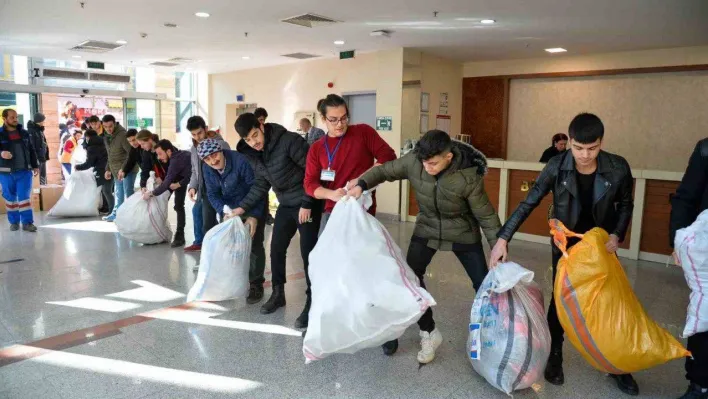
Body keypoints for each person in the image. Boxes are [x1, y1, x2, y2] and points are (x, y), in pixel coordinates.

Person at [488, 113, 637, 396]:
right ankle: (555, 354)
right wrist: (503, 238)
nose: (584, 155)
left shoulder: (617, 167)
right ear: (569, 142)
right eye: (578, 148)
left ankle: (617, 364)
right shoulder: (557, 166)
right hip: (565, 244)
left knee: (607, 302)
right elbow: (528, 202)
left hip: (600, 245)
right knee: (561, 298)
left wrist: (617, 234)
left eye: (591, 148)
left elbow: (626, 204)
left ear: (600, 143)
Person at [347, 130, 501, 363]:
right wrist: (361, 184)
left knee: (483, 283)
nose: (426, 167)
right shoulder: (415, 161)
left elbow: (486, 215)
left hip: (462, 232)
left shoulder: (468, 176)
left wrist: (498, 245)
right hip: (427, 228)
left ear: (448, 157)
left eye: (433, 163)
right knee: (410, 279)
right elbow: (384, 170)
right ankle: (427, 331)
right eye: (423, 162)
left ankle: (493, 335)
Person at [235, 112, 322, 326]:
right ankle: (278, 293)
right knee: (276, 248)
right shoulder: (254, 153)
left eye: (255, 135)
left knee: (308, 252)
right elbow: (260, 184)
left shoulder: (289, 141)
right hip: (286, 203)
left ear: (262, 125)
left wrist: (307, 203)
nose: (253, 142)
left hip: (307, 201)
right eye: (248, 139)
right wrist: (242, 207)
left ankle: (313, 301)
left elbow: (314, 171)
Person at [304, 94, 397, 231]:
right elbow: (309, 184)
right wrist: (331, 194)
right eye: (334, 120)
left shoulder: (363, 132)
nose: (340, 124)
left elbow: (388, 156)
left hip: (361, 210)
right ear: (324, 119)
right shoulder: (317, 148)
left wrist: (361, 179)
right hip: (332, 211)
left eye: (344, 118)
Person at [199, 138, 266, 295]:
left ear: (221, 150)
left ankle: (256, 284)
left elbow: (257, 189)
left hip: (252, 204)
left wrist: (254, 216)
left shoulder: (240, 161)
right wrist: (224, 211)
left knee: (254, 245)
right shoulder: (207, 168)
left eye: (215, 155)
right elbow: (212, 193)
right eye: (207, 159)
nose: (212, 161)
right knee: (230, 245)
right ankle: (233, 280)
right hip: (230, 209)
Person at [669, 138, 708, 399]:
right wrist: (677, 240)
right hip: (706, 246)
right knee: (704, 316)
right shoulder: (706, 150)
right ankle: (699, 384)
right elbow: (685, 197)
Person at [185, 116, 231, 253]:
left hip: (220, 190)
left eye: (199, 132)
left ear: (205, 129)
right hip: (204, 190)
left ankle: (222, 250)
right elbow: (194, 170)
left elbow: (229, 168)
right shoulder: (194, 149)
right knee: (202, 218)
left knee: (221, 220)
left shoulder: (221, 145)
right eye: (193, 134)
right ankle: (202, 245)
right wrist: (192, 186)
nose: (197, 137)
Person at [141, 139, 190, 248]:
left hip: (179, 180)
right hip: (176, 180)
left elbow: (191, 175)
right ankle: (157, 231)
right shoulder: (174, 155)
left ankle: (180, 235)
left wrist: (151, 193)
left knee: (178, 205)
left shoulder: (176, 160)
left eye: (160, 154)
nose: (158, 157)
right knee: (160, 202)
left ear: (168, 151)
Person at [0, 109, 39, 232]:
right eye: (12, 117)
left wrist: (35, 165)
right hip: (6, 172)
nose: (15, 119)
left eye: (16, 117)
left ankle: (27, 223)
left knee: (24, 198)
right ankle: (14, 222)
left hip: (24, 171)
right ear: (4, 119)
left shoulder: (24, 133)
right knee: (10, 199)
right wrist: (1, 153)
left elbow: (31, 150)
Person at [103, 115, 138, 222]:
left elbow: (131, 154)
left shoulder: (122, 135)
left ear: (115, 123)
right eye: (105, 127)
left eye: (110, 126)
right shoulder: (107, 136)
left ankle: (131, 215)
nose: (108, 129)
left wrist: (123, 169)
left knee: (128, 192)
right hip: (115, 170)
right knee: (119, 193)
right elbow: (110, 154)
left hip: (128, 169)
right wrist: (108, 169)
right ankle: (117, 214)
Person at [74, 129, 113, 214]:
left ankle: (110, 210)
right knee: (107, 190)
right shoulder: (103, 142)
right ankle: (107, 208)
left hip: (102, 170)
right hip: (110, 168)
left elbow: (89, 163)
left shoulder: (92, 148)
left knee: (106, 190)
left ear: (88, 137)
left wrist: (78, 167)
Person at [27, 113, 49, 185]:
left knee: (43, 177)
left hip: (42, 158)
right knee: (37, 179)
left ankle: (43, 190)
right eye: (43, 120)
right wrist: (35, 160)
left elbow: (43, 144)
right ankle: (38, 193)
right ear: (40, 121)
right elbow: (31, 147)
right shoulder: (31, 131)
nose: (44, 122)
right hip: (37, 159)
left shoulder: (40, 131)